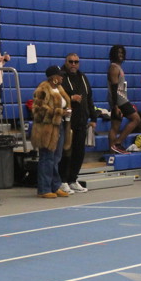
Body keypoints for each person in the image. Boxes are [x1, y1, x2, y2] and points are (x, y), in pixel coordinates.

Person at [32, 65, 73, 198]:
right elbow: (38, 110)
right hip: (46, 129)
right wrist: (60, 112)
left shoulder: (59, 89)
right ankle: (44, 188)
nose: (62, 77)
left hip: (59, 126)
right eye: (60, 75)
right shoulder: (42, 89)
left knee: (56, 158)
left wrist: (66, 112)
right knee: (47, 158)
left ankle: (55, 186)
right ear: (53, 77)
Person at [58, 53, 95, 195]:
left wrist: (93, 118)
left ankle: (73, 179)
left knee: (79, 152)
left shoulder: (83, 77)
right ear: (66, 62)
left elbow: (89, 98)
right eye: (71, 61)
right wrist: (71, 98)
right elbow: (56, 96)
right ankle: (63, 180)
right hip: (67, 122)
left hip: (81, 120)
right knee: (66, 152)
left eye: (76, 62)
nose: (73, 64)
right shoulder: (61, 77)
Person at [107, 45, 140, 155]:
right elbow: (114, 88)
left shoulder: (118, 67)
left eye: (122, 53)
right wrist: (115, 106)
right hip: (119, 100)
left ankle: (112, 152)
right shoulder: (114, 68)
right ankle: (117, 143)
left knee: (115, 126)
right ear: (113, 54)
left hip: (119, 99)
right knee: (136, 119)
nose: (120, 55)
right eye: (118, 52)